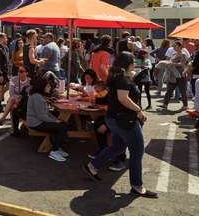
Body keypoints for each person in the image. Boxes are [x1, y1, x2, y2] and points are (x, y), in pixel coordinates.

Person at [83, 52, 157, 198]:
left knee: (117, 147)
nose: (135, 63)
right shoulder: (122, 79)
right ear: (129, 63)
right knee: (137, 152)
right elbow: (123, 99)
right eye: (133, 61)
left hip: (114, 120)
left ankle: (92, 166)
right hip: (124, 121)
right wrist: (139, 110)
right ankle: (137, 186)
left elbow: (112, 99)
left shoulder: (116, 77)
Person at [25, 75, 69, 162]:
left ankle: (57, 147)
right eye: (48, 86)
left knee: (63, 124)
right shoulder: (37, 97)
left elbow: (46, 113)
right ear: (42, 86)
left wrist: (56, 120)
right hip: (36, 123)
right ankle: (54, 151)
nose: (50, 87)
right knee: (62, 127)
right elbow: (42, 116)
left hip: (38, 121)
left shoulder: (39, 95)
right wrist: (55, 121)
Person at [160, 41, 189, 111]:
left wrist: (172, 63)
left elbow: (182, 64)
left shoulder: (183, 54)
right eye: (173, 46)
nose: (174, 47)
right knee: (169, 90)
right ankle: (165, 104)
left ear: (180, 46)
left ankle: (185, 106)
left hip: (180, 74)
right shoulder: (174, 54)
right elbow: (170, 61)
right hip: (173, 75)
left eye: (175, 46)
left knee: (183, 91)